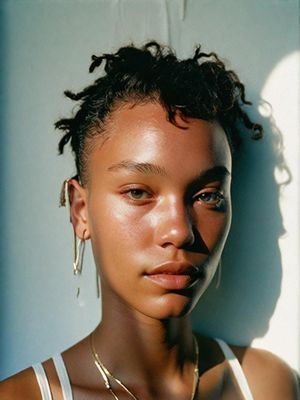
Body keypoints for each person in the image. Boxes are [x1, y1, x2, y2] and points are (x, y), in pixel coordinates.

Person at [0, 41, 299, 400]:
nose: (179, 231)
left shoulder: (269, 386)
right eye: (139, 193)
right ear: (80, 210)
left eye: (207, 196)